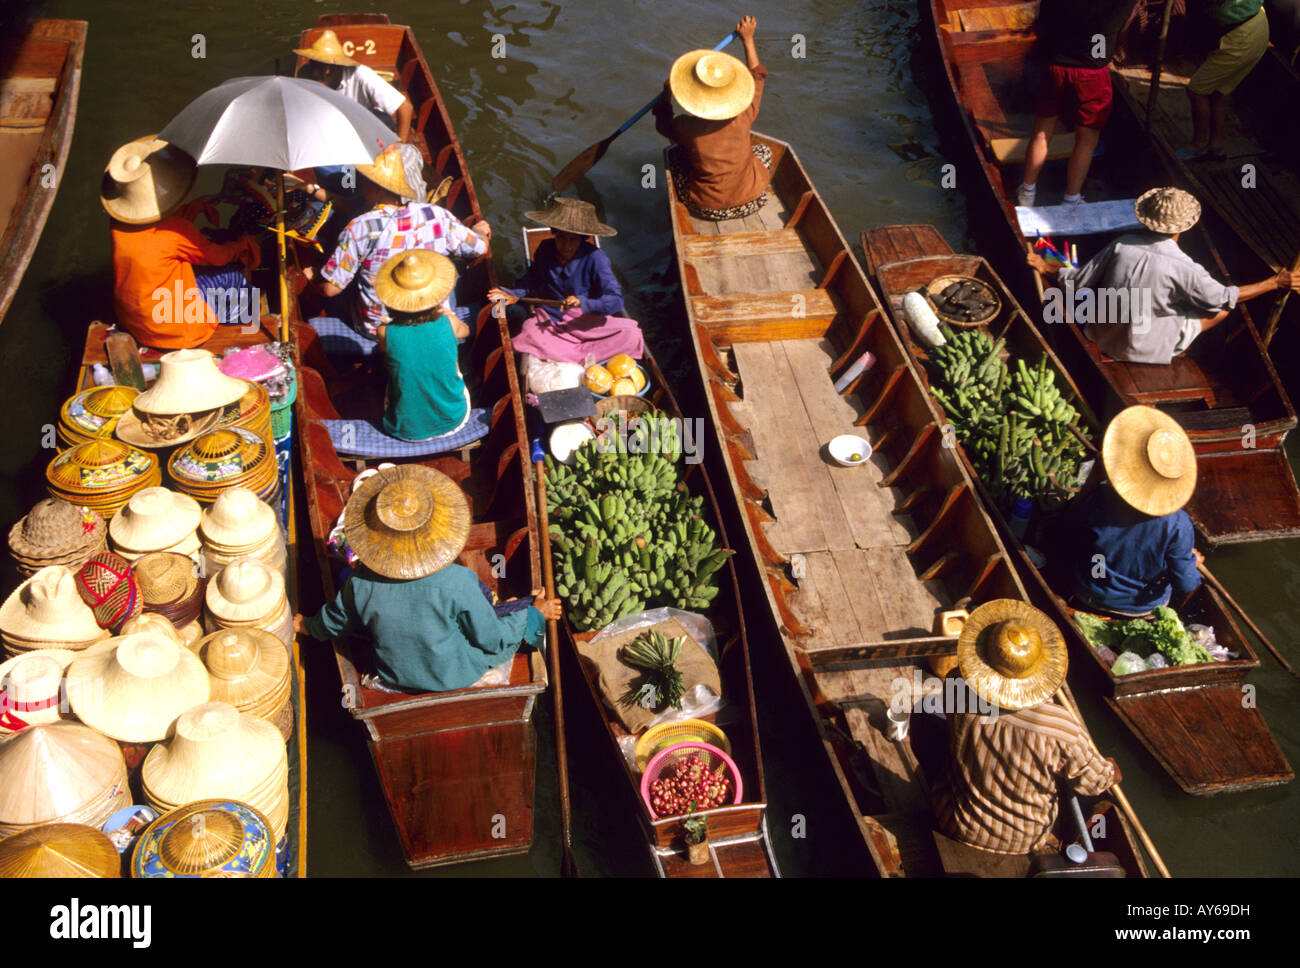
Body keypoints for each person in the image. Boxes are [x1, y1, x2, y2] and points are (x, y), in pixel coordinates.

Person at [293, 465, 561, 693]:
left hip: (395, 675)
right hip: (457, 673)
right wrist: (532, 616)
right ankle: (530, 607)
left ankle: (520, 607)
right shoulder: (459, 579)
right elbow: (491, 639)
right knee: (513, 612)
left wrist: (306, 626)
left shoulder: (360, 582)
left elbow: (332, 621)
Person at [929, 599, 1120, 855]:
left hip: (956, 821)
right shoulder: (1062, 727)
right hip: (1025, 840)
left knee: (928, 717)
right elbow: (1096, 782)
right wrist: (1112, 770)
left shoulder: (956, 683)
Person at [1027, 186, 1299, 363]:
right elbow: (1225, 297)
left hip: (1100, 336)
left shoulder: (1122, 244)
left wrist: (1045, 266)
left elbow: (1076, 281)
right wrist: (1275, 282)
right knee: (1222, 310)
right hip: (1146, 350)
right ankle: (1178, 347)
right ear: (1183, 228)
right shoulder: (1185, 266)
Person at [304, 144, 490, 340]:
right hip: (433, 321)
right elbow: (479, 248)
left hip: (380, 331)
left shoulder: (360, 227)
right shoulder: (436, 215)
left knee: (328, 286)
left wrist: (313, 275)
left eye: (365, 181)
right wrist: (479, 231)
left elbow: (330, 289)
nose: (360, 185)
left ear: (377, 188)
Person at [102, 136, 260, 350]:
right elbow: (217, 257)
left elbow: (156, 237)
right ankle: (244, 323)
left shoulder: (119, 224)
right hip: (176, 329)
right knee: (231, 275)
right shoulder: (177, 231)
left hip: (135, 323)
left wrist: (194, 207)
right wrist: (239, 247)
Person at [1068, 406, 1202, 616]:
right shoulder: (1178, 524)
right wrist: (1192, 562)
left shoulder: (1102, 495)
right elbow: (1186, 583)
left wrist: (1093, 479)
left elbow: (1071, 524)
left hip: (1090, 591)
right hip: (1137, 608)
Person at [485, 197, 645, 363]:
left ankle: (570, 356)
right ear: (554, 233)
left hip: (587, 321)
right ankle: (584, 357)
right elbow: (532, 279)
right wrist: (513, 294)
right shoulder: (545, 249)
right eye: (561, 237)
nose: (566, 245)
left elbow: (616, 301)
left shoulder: (596, 258)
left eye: (573, 239)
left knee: (632, 335)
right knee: (529, 332)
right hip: (553, 320)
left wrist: (583, 303)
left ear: (582, 238)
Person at [1017, 0, 1136, 207]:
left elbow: (1042, 24)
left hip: (1055, 67)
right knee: (1087, 140)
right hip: (1092, 74)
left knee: (1042, 132)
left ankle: (1027, 191)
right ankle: (1071, 198)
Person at [654, 16, 771, 221]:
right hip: (755, 200)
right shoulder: (744, 113)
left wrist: (666, 93)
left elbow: (662, 123)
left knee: (674, 154)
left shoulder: (685, 127)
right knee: (764, 151)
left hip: (708, 208)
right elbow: (757, 76)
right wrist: (748, 39)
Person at [374, 250, 473, 441]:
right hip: (454, 422)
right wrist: (447, 315)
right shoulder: (450, 323)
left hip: (403, 431)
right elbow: (466, 331)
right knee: (455, 364)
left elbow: (384, 350)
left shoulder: (384, 332)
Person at [1179, 0, 1270, 162]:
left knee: (1196, 90)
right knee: (1218, 92)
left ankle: (1198, 145)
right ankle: (1216, 147)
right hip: (1258, 28)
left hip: (1242, 37)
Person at [294, 29, 413, 141]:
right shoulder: (305, 72)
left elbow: (405, 107)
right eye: (313, 65)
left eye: (318, 70)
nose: (313, 74)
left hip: (361, 121)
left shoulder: (361, 75)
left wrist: (400, 144)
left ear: (328, 70)